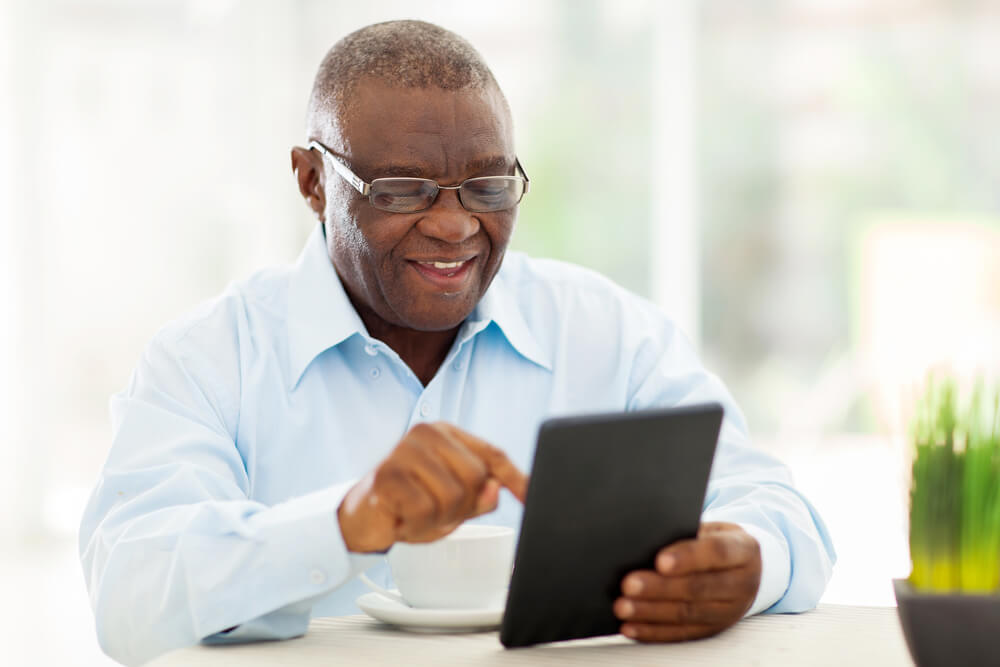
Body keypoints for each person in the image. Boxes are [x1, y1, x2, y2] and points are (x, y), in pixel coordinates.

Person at [79, 19, 835, 666]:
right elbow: (130, 592)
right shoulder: (208, 359)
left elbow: (781, 509)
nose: (455, 224)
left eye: (489, 185)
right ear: (312, 182)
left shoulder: (608, 334)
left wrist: (748, 561)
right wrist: (346, 521)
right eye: (402, 190)